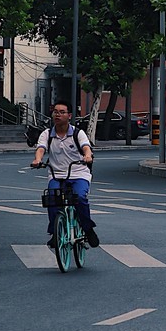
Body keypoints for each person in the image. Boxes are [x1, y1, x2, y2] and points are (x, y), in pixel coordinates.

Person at [30, 101, 100, 250]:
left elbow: (86, 147)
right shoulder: (47, 134)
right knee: (52, 199)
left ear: (69, 116)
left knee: (80, 198)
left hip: (79, 173)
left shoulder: (77, 133)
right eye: (55, 111)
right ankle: (55, 233)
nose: (58, 114)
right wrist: (37, 160)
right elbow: (41, 148)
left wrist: (87, 155)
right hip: (56, 174)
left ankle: (88, 229)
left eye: (62, 112)